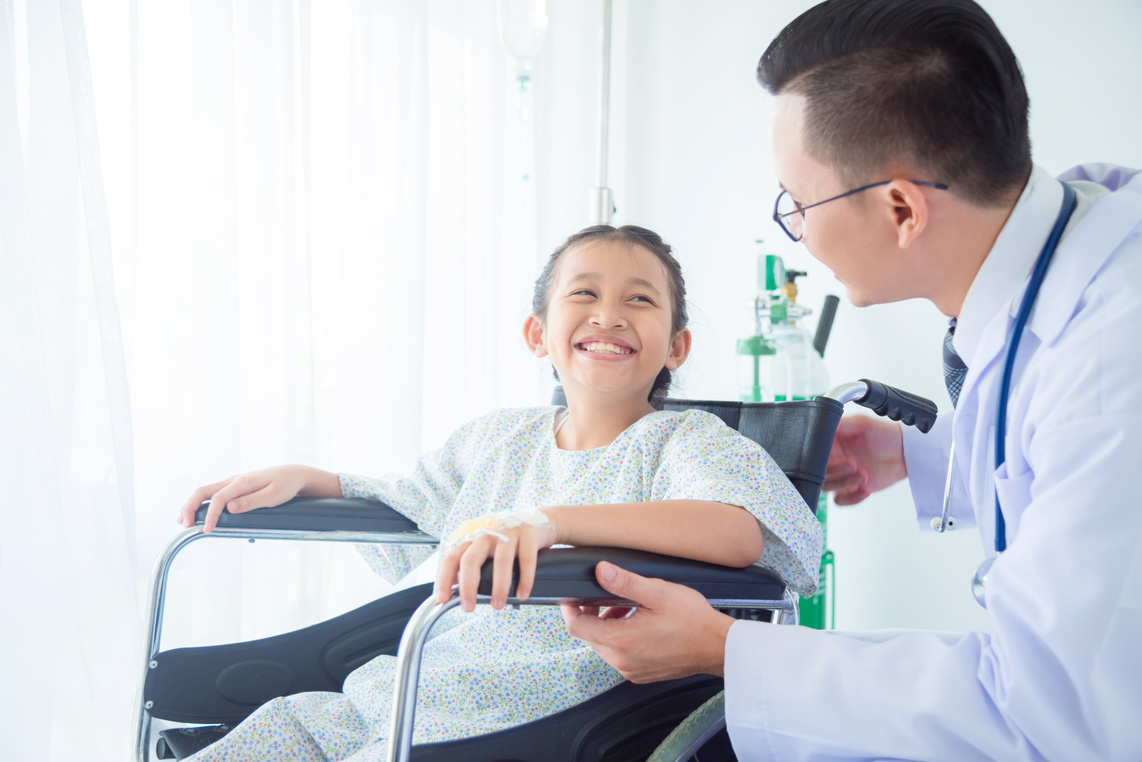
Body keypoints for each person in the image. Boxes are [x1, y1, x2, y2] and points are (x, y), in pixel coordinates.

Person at [561, 1, 1142, 760]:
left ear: (901, 207)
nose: (796, 230)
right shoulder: (1066, 254)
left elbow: (1035, 711)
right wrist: (922, 455)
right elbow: (1059, 457)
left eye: (799, 204)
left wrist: (726, 652)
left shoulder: (1109, 360)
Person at [174, 224, 823, 759]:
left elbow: (739, 530)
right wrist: (317, 480)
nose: (608, 315)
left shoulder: (688, 441)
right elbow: (413, 502)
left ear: (676, 346)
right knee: (276, 731)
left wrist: (551, 521)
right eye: (585, 293)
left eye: (640, 300)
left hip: (530, 711)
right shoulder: (500, 438)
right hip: (405, 688)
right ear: (537, 333)